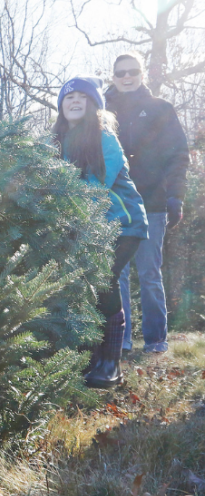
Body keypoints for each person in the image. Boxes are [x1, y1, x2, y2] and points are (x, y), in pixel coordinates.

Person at [54, 77, 148, 387]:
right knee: (87, 288)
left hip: (123, 224)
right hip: (89, 227)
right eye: (69, 97)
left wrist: (62, 201)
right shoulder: (58, 141)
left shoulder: (105, 138)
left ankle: (111, 363)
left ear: (95, 105)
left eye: (83, 97)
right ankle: (92, 359)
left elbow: (96, 187)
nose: (76, 101)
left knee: (104, 281)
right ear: (61, 106)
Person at [105, 52, 190, 354]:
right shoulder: (102, 111)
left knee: (149, 272)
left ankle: (156, 341)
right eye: (120, 72)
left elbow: (179, 154)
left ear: (142, 74)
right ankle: (122, 340)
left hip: (153, 202)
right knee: (118, 274)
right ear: (113, 76)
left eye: (133, 71)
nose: (127, 77)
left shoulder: (160, 109)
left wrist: (175, 196)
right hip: (114, 205)